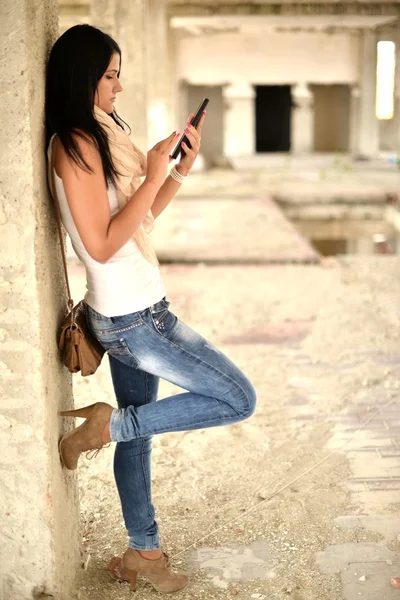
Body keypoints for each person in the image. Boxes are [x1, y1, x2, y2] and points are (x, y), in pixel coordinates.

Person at [45, 23, 257, 594]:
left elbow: (140, 219)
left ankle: (144, 554)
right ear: (82, 76)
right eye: (110, 75)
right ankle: (104, 425)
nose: (118, 86)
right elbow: (101, 243)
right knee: (237, 398)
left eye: (118, 75)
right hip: (131, 322)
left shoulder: (101, 135)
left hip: (141, 312)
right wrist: (155, 171)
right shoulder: (73, 144)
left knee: (137, 439)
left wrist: (176, 169)